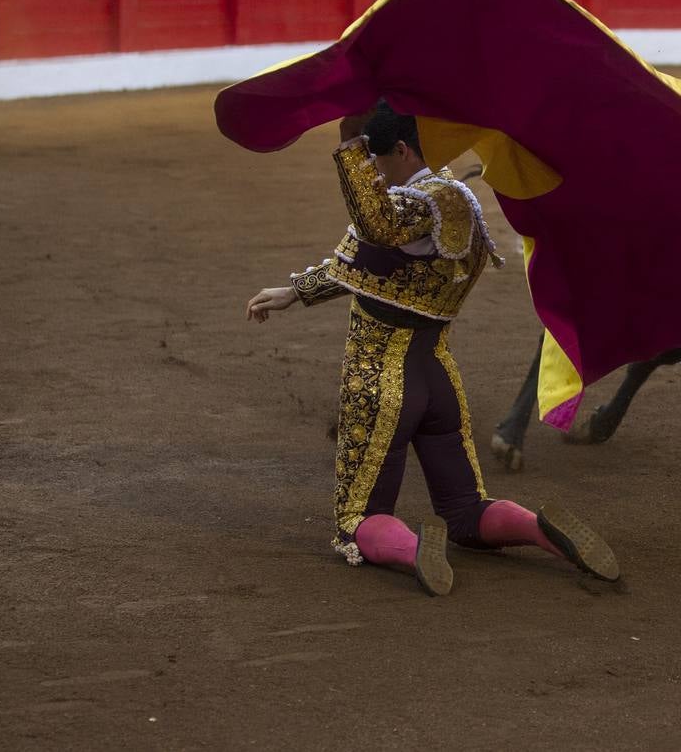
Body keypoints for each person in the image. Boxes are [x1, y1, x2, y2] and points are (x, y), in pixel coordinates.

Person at [244, 101, 619, 596]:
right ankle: (535, 529)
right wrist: (298, 291)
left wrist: (350, 145)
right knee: (467, 508)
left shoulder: (415, 205)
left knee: (359, 519)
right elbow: (370, 263)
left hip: (381, 380)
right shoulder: (453, 197)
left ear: (401, 149)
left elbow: (377, 228)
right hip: (436, 375)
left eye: (379, 160)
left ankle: (410, 548)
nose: (376, 173)